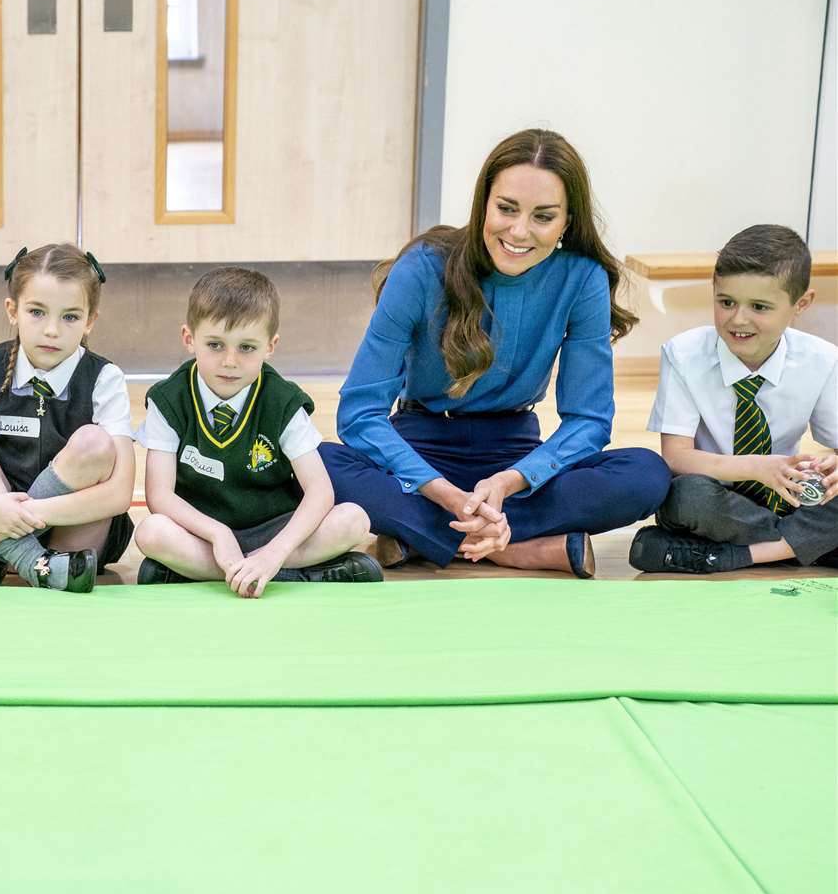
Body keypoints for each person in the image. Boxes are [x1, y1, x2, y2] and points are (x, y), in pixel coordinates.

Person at [320, 129, 670, 577]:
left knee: (646, 474)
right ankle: (517, 549)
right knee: (319, 465)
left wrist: (511, 481)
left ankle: (426, 537)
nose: (519, 231)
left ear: (567, 222)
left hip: (514, 455)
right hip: (418, 445)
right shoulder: (422, 266)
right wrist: (441, 491)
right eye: (506, 209)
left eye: (543, 217)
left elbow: (589, 420)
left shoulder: (583, 279)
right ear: (483, 202)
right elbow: (359, 412)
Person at [133, 267, 381, 596]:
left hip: (275, 529)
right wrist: (218, 534)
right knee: (151, 533)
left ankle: (234, 572)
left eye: (247, 347)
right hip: (205, 535)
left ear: (270, 346)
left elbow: (320, 491)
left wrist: (274, 554)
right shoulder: (169, 399)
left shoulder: (283, 401)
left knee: (354, 520)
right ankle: (293, 576)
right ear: (189, 339)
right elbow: (159, 496)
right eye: (215, 345)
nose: (230, 361)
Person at [0, 244, 134, 591]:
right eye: (37, 312)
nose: (52, 330)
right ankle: (39, 566)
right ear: (12, 310)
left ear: (90, 320)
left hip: (72, 530)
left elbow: (120, 494)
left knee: (95, 443)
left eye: (70, 317)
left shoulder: (105, 378)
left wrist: (23, 517)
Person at [631, 224, 837, 572]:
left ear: (801, 304)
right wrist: (757, 468)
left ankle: (732, 555)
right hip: (715, 497)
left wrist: (832, 469)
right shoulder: (683, 354)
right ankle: (805, 545)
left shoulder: (822, 359)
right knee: (685, 498)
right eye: (726, 302)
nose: (738, 319)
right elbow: (676, 457)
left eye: (759, 306)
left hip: (783, 497)